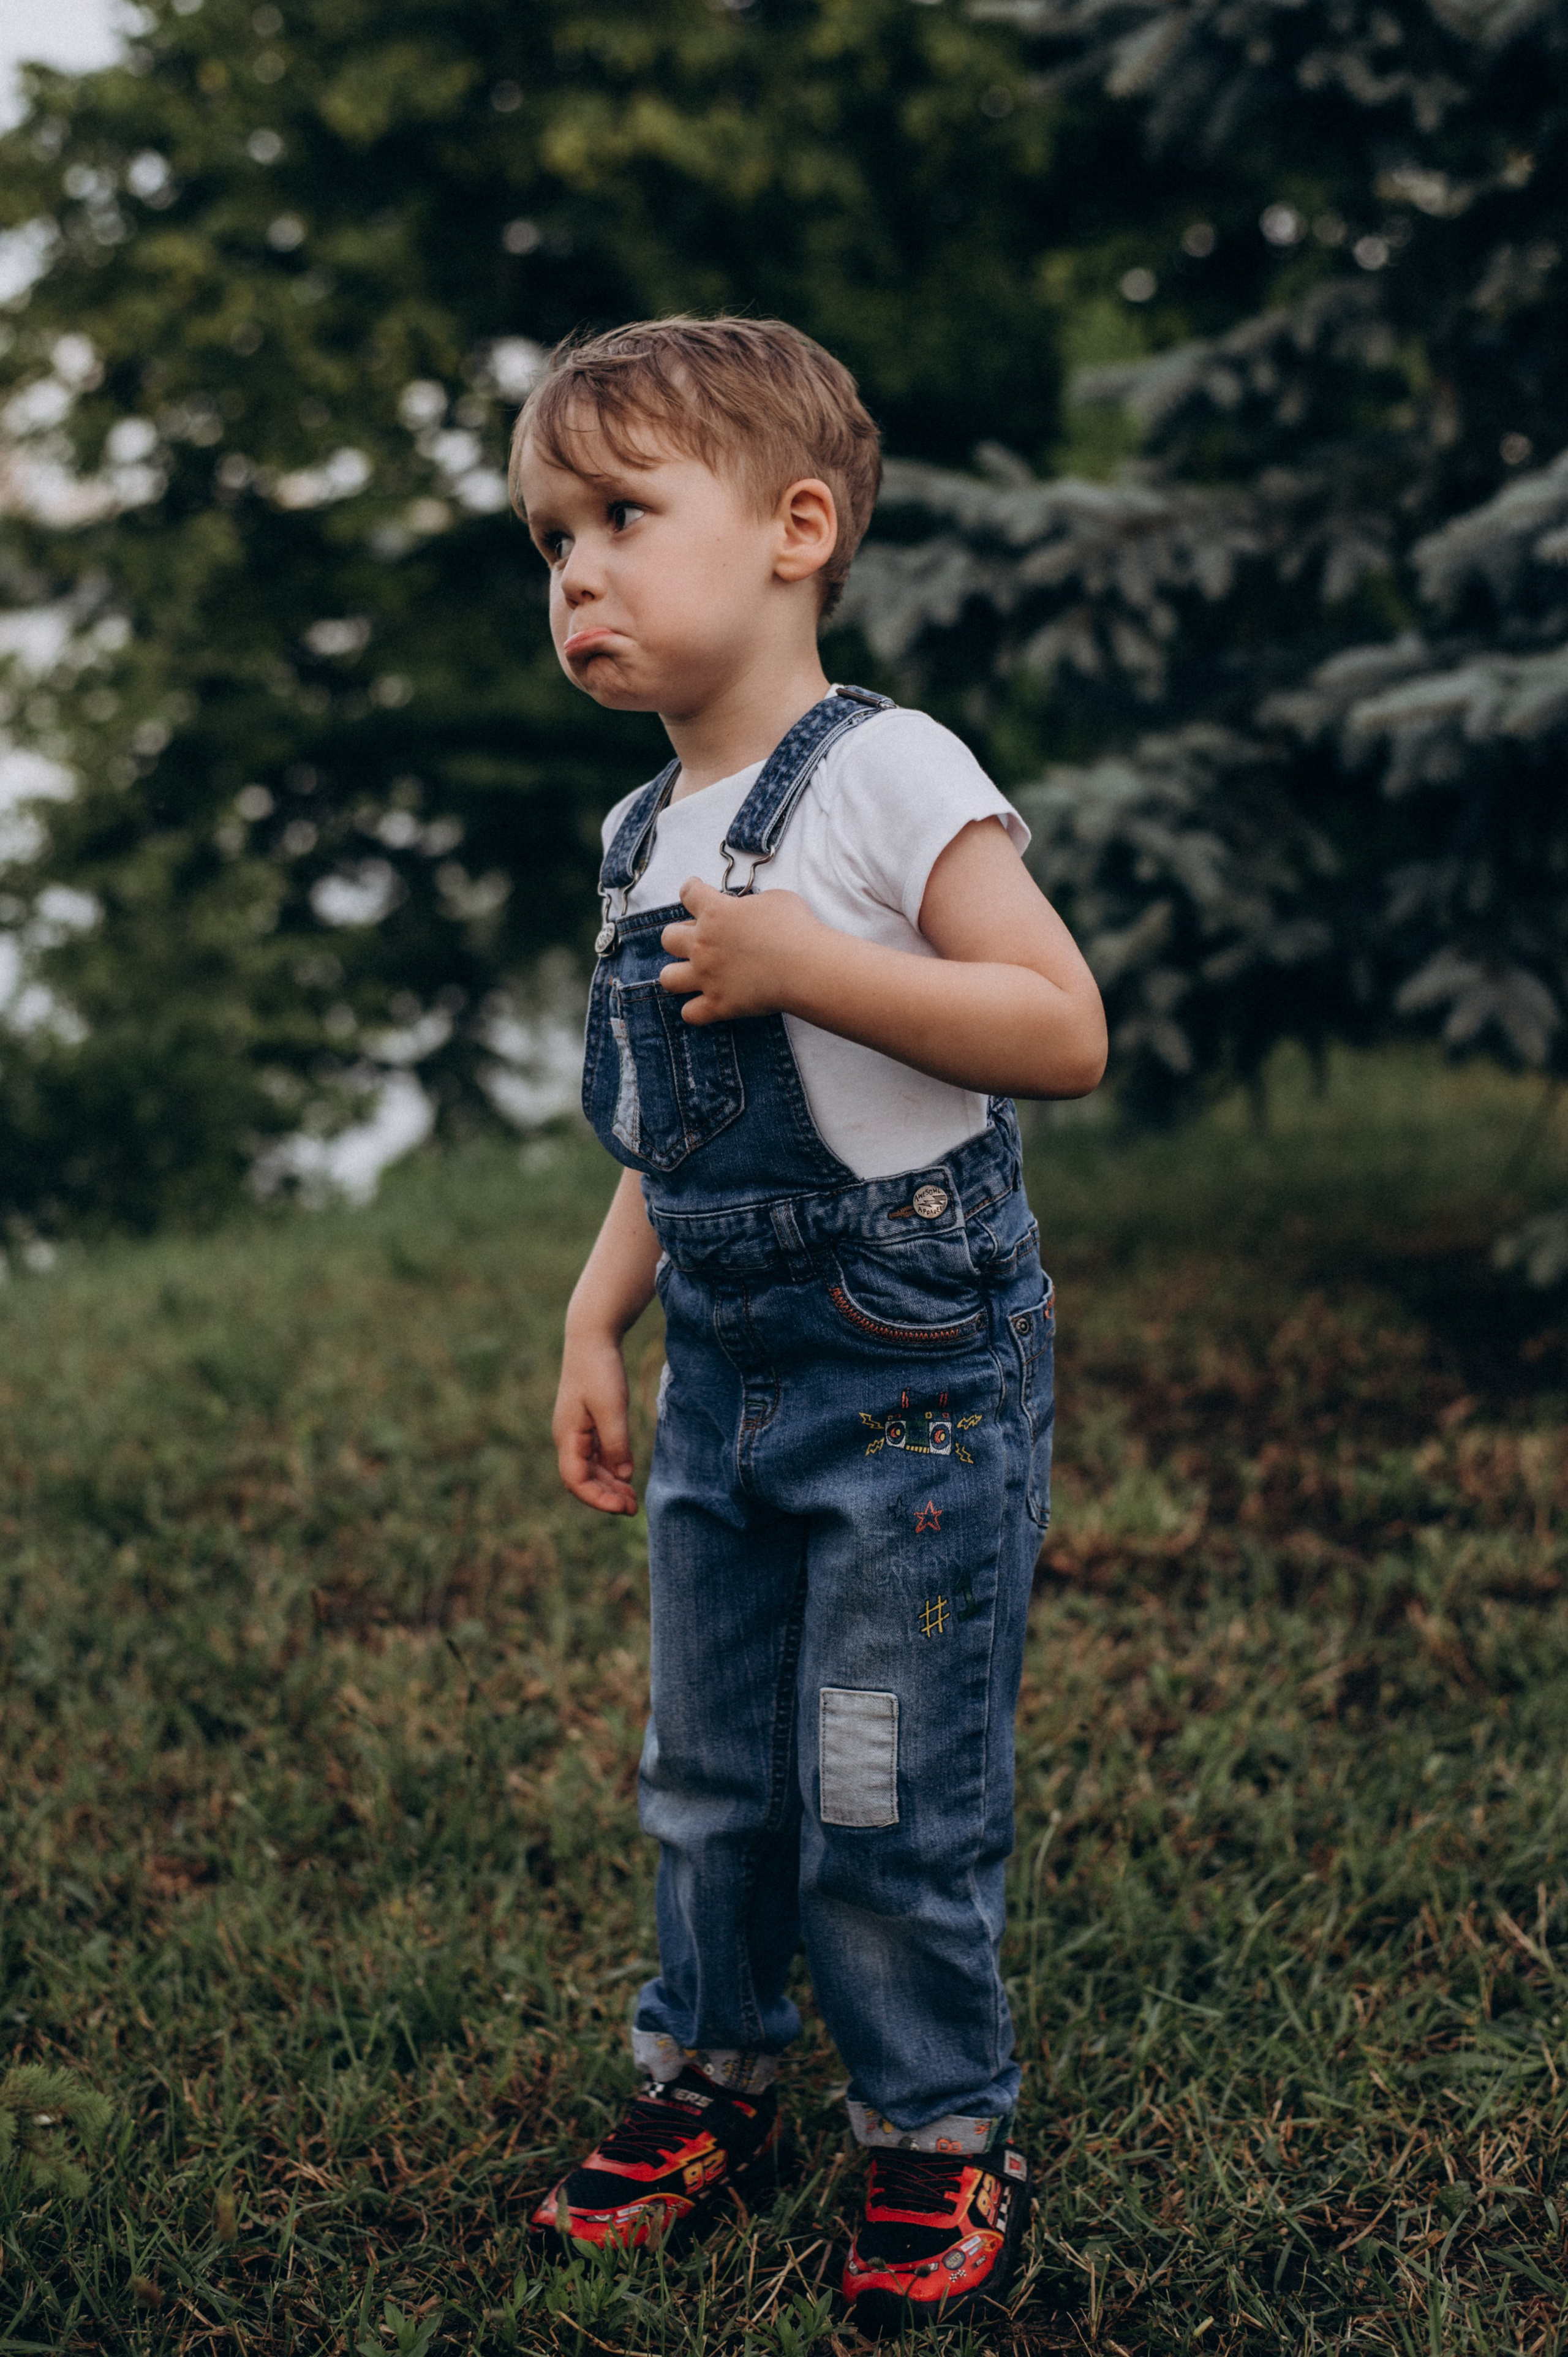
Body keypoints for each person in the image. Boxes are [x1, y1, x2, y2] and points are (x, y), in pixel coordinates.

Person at [511, 315, 1106, 2337]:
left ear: (795, 528)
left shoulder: (889, 771)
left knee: (878, 1777)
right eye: (547, 539)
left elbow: (1059, 1028)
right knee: (710, 1769)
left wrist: (808, 966)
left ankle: (939, 2128)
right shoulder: (638, 834)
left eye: (618, 515)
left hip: (915, 1391)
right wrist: (604, 1317)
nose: (575, 569)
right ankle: (710, 2076)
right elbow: (671, 1139)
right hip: (730, 1390)